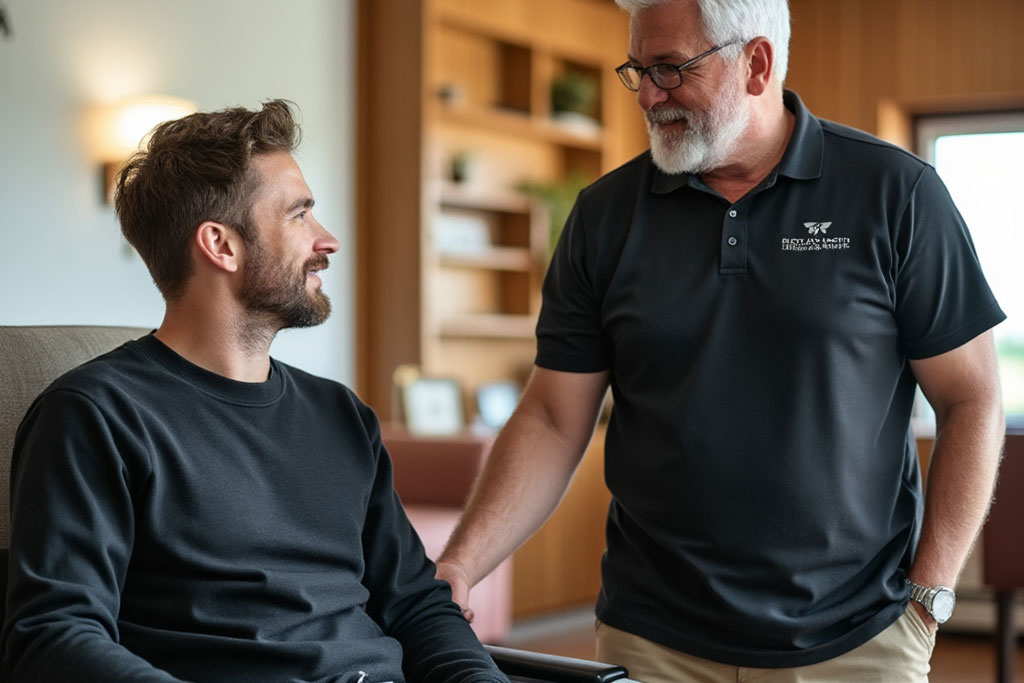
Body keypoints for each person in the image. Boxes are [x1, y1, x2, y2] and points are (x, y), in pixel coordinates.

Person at [435, 0, 1007, 681]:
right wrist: (461, 561)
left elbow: (971, 398)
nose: (648, 95)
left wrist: (928, 598)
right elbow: (555, 415)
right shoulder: (603, 217)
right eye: (638, 69)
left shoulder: (898, 195)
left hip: (858, 640)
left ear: (756, 63)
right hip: (652, 639)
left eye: (671, 69)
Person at [2, 100, 508, 683]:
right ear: (221, 245)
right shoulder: (96, 416)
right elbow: (54, 636)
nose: (328, 240)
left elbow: (417, 604)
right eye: (299, 216)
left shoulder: (340, 414)